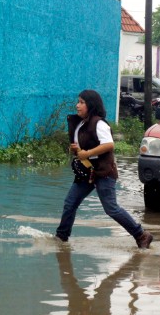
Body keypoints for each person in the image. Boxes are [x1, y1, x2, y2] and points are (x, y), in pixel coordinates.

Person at [55, 90, 153, 249]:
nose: (77, 106)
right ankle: (61, 239)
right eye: (78, 102)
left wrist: (87, 153)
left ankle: (141, 235)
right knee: (70, 203)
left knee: (111, 209)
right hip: (87, 172)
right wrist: (76, 149)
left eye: (81, 102)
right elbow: (85, 146)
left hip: (104, 172)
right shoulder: (81, 124)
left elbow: (109, 145)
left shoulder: (99, 123)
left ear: (90, 105)